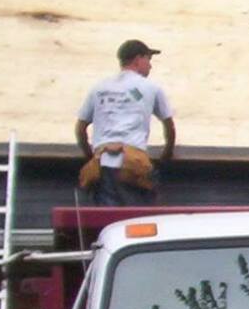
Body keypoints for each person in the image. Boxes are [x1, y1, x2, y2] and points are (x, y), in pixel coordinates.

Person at [75, 39, 176, 206]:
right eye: (148, 59)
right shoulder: (151, 88)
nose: (150, 65)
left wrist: (90, 155)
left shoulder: (99, 88)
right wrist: (167, 153)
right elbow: (169, 127)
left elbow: (80, 128)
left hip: (103, 164)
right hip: (134, 166)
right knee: (137, 216)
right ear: (138, 59)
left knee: (108, 218)